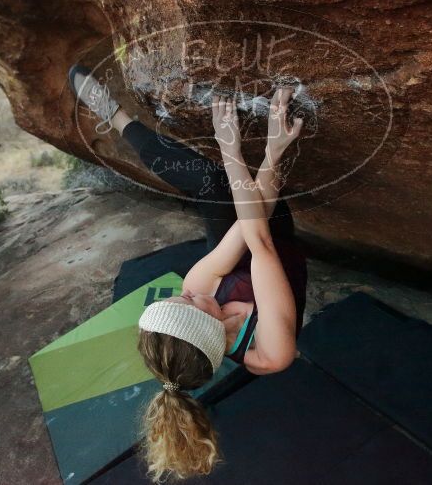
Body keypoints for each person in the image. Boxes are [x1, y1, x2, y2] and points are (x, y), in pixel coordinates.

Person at [68, 65, 308, 482]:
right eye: (187, 302)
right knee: (229, 183)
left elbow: (247, 227)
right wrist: (256, 150)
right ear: (208, 327)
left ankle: (118, 119)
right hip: (273, 243)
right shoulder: (271, 352)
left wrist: (252, 152)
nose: (184, 290)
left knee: (209, 181)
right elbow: (262, 238)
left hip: (245, 242)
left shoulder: (199, 288)